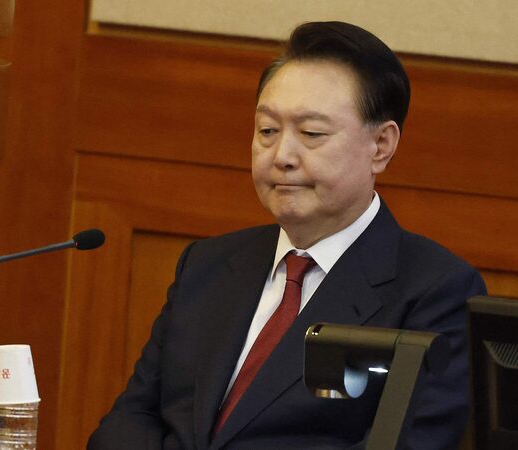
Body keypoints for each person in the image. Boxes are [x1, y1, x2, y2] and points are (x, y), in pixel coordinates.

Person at [88, 21, 486, 450]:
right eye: (267, 131)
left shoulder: (436, 293)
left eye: (311, 134)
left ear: (381, 146)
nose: (282, 156)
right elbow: (130, 420)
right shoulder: (207, 265)